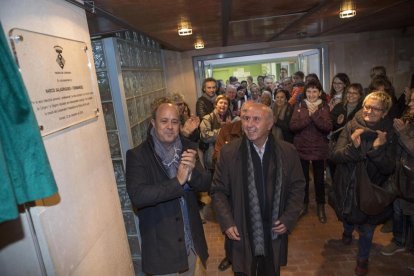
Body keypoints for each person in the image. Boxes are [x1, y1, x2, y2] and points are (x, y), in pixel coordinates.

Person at [211, 102, 305, 276]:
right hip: (242, 229)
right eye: (246, 118)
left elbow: (298, 187)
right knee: (243, 270)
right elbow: (218, 190)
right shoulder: (229, 152)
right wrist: (227, 221)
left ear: (270, 124)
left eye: (256, 119)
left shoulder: (288, 151)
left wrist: (289, 217)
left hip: (274, 230)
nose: (249, 124)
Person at [126, 100, 211, 275]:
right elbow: (139, 196)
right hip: (162, 250)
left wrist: (192, 173)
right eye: (164, 121)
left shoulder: (188, 147)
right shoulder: (138, 155)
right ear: (153, 123)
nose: (170, 127)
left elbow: (205, 183)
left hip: (191, 243)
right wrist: (177, 181)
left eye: (174, 121)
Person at [330, 91, 395, 276]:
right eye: (367, 106)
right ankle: (348, 231)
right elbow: (335, 155)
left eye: (376, 109)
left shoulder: (389, 132)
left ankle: (362, 259)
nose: (370, 111)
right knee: (349, 216)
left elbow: (390, 167)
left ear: (384, 113)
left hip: (372, 188)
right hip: (348, 184)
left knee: (367, 227)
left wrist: (377, 150)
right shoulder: (351, 125)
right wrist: (354, 148)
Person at [289, 80, 332, 223]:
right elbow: (293, 126)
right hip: (302, 147)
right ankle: (304, 204)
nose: (311, 94)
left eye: (314, 91)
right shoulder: (299, 106)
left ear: (320, 92)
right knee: (304, 180)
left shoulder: (324, 107)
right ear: (305, 93)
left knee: (319, 180)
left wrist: (314, 115)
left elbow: (327, 127)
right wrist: (309, 117)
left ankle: (321, 207)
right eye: (309, 91)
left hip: (319, 149)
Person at [381, 89, 414, 262]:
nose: (409, 104)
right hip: (401, 175)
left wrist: (402, 132)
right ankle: (399, 240)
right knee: (398, 209)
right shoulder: (409, 118)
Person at [199, 94, 233, 172]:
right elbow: (205, 136)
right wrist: (223, 130)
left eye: (225, 103)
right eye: (221, 102)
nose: (223, 105)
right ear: (215, 105)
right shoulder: (207, 118)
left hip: (228, 155)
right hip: (212, 155)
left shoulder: (231, 118)